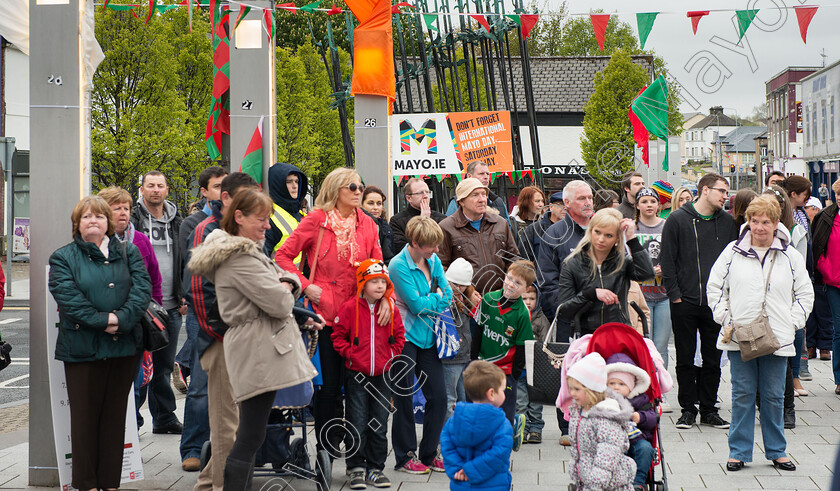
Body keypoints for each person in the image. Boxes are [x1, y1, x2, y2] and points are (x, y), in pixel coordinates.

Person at [186, 188, 321, 490]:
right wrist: (287, 284)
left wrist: (287, 284)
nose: (268, 226)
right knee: (248, 435)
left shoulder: (246, 252)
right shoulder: (240, 257)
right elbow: (279, 301)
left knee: (251, 433)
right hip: (257, 348)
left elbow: (284, 286)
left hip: (258, 345)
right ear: (239, 217)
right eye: (261, 219)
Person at [276, 167, 384, 452]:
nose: (359, 191)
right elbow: (283, 256)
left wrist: (384, 297)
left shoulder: (368, 224)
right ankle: (328, 446)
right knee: (329, 387)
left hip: (360, 313)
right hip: (324, 313)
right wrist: (305, 285)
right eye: (352, 187)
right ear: (335, 189)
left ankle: (357, 450)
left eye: (360, 186)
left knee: (359, 384)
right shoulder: (316, 219)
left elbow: (377, 266)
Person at [49, 195, 152, 491]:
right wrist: (106, 321)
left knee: (114, 418)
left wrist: (121, 320)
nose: (93, 221)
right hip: (82, 349)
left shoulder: (129, 252)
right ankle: (86, 484)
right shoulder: (63, 257)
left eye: (99, 216)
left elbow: (141, 290)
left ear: (108, 223)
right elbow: (69, 300)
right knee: (83, 421)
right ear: (76, 225)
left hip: (124, 349)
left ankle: (110, 483)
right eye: (86, 217)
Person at [707, 195, 813, 473]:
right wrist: (726, 318)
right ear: (748, 222)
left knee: (774, 396)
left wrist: (792, 322)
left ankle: (777, 451)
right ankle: (738, 452)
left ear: (776, 223)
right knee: (742, 394)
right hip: (740, 335)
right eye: (755, 221)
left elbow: (805, 293)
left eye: (766, 221)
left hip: (777, 338)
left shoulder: (790, 255)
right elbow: (714, 288)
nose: (760, 227)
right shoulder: (732, 251)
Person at [180, 173, 259, 485]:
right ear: (226, 200)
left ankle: (208, 482)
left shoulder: (237, 230)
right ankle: (220, 485)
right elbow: (197, 290)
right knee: (226, 424)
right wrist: (222, 334)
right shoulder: (206, 230)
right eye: (244, 199)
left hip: (240, 338)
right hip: (222, 339)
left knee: (237, 424)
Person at [660, 173, 738, 431]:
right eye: (721, 191)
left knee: (713, 357)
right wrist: (675, 294)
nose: (725, 197)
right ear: (705, 190)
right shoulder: (678, 219)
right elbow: (667, 260)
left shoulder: (727, 222)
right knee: (684, 358)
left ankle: (709, 409)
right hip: (684, 300)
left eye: (726, 193)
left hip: (715, 303)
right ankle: (687, 410)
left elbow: (732, 261)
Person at [332, 259, 405, 489]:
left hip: (382, 375)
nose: (380, 286)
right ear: (363, 283)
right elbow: (338, 336)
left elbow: (400, 337)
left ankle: (375, 467)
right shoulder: (349, 308)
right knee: (357, 421)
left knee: (379, 423)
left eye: (383, 282)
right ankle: (356, 467)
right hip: (357, 375)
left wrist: (391, 356)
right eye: (374, 281)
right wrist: (350, 354)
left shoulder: (391, 310)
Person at [389, 216, 452, 474]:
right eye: (431, 246)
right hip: (404, 337)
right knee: (403, 398)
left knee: (438, 397)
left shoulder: (433, 260)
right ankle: (404, 456)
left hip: (428, 337)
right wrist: (434, 298)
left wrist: (433, 299)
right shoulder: (397, 265)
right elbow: (415, 306)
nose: (436, 251)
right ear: (414, 242)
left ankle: (428, 452)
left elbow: (447, 296)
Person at [130, 170, 185, 434]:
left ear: (166, 190)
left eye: (160, 186)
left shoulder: (178, 222)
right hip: (142, 307)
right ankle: (133, 422)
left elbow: (185, 260)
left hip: (171, 305)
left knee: (163, 366)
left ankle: (164, 418)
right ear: (141, 189)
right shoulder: (132, 220)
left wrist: (184, 293)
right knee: (141, 368)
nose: (155, 190)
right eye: (150, 185)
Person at [556, 208, 655, 335]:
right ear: (590, 231)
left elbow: (647, 274)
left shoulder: (623, 262)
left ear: (617, 239)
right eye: (597, 232)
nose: (601, 239)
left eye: (609, 235)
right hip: (585, 335)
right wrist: (591, 294)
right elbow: (564, 310)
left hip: (618, 332)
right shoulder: (572, 263)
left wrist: (631, 239)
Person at [174, 166, 228, 396]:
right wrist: (183, 297)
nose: (223, 192)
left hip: (226, 307)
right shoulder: (194, 224)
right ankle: (194, 433)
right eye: (217, 187)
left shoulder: (229, 221)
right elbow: (187, 266)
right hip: (202, 307)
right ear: (204, 192)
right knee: (201, 380)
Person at [472, 259, 536, 429]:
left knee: (506, 409)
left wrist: (515, 373)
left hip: (506, 370)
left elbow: (523, 346)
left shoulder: (523, 313)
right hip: (483, 365)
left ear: (526, 289)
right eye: (509, 278)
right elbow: (477, 329)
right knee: (482, 406)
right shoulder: (488, 299)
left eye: (518, 283)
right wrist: (473, 358)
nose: (511, 284)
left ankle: (509, 434)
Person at [763, 185, 809, 412]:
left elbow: (801, 273)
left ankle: (787, 407)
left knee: (785, 357)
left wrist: (795, 316)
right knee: (760, 357)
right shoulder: (751, 233)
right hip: (759, 306)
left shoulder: (795, 232)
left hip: (785, 302)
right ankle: (763, 405)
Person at [566, 352, 636, 491]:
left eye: (577, 389)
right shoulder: (580, 412)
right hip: (588, 479)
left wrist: (596, 484)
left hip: (608, 484)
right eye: (571, 388)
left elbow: (607, 456)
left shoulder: (605, 417)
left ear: (592, 390)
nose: (572, 393)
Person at [440, 361, 514, 491]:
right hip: (493, 484)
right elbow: (499, 453)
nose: (504, 394)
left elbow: (447, 448)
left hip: (461, 483)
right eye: (502, 390)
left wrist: (458, 470)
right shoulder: (502, 424)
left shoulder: (453, 421)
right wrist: (471, 471)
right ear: (491, 394)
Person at [438, 178, 519, 295]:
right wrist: (466, 294)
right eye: (475, 195)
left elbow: (513, 259)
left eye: (483, 194)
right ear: (461, 201)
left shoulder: (501, 223)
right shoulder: (446, 227)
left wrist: (509, 288)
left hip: (500, 297)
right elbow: (440, 267)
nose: (482, 199)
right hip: (465, 303)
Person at [633, 188, 672, 412]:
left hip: (664, 294)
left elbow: (675, 255)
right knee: (642, 345)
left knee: (661, 346)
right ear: (637, 205)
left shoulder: (666, 227)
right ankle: (643, 391)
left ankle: (660, 393)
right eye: (644, 201)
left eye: (653, 201)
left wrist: (662, 269)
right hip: (640, 296)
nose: (649, 205)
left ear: (659, 205)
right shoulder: (633, 227)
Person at [538, 180, 594, 324]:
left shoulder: (605, 229)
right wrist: (567, 309)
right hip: (570, 320)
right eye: (582, 198)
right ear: (567, 203)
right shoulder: (554, 234)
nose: (588, 202)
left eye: (590, 197)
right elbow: (547, 280)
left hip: (604, 318)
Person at [605, 353, 655, 491]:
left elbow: (653, 418)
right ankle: (615, 482)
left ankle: (638, 482)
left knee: (645, 449)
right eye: (612, 383)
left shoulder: (640, 400)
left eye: (622, 384)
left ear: (631, 386)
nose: (616, 387)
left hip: (636, 438)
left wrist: (640, 417)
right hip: (612, 440)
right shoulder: (603, 401)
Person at [442, 258, 480, 423]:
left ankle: (460, 433)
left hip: (464, 355)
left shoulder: (467, 299)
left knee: (462, 399)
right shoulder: (443, 297)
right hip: (450, 358)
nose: (457, 288)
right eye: (453, 283)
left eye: (462, 285)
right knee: (450, 399)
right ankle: (447, 436)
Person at [812, 177, 840, 395]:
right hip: (833, 283)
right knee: (839, 331)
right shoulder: (825, 217)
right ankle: (839, 379)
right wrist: (825, 269)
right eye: (838, 195)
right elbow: (817, 246)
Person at [518, 284, 548, 443]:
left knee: (536, 402)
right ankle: (523, 429)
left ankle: (536, 429)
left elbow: (546, 343)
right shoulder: (517, 316)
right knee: (521, 401)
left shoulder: (541, 320)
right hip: (521, 368)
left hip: (536, 369)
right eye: (524, 298)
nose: (528, 302)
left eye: (532, 299)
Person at [390, 178, 447, 254]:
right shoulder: (397, 221)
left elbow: (444, 248)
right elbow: (402, 249)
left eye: (427, 192)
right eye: (420, 193)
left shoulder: (441, 218)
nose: (426, 196)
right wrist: (423, 222)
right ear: (408, 198)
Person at [264, 163, 308, 260]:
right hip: (281, 275)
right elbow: (263, 259)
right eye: (289, 182)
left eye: (297, 181)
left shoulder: (301, 215)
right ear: (278, 185)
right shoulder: (269, 217)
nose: (294, 186)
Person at [446, 161, 510, 222]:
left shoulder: (498, 202)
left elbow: (507, 229)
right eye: (481, 174)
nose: (486, 177)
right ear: (469, 176)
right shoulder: (458, 201)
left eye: (487, 174)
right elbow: (449, 228)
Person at [517, 191, 564, 266]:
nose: (565, 208)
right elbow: (524, 260)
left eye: (567, 205)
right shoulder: (533, 229)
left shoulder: (573, 229)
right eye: (561, 204)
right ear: (551, 207)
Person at [361, 185, 396, 263]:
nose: (375, 207)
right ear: (361, 205)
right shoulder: (358, 226)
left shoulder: (386, 227)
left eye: (379, 203)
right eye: (370, 203)